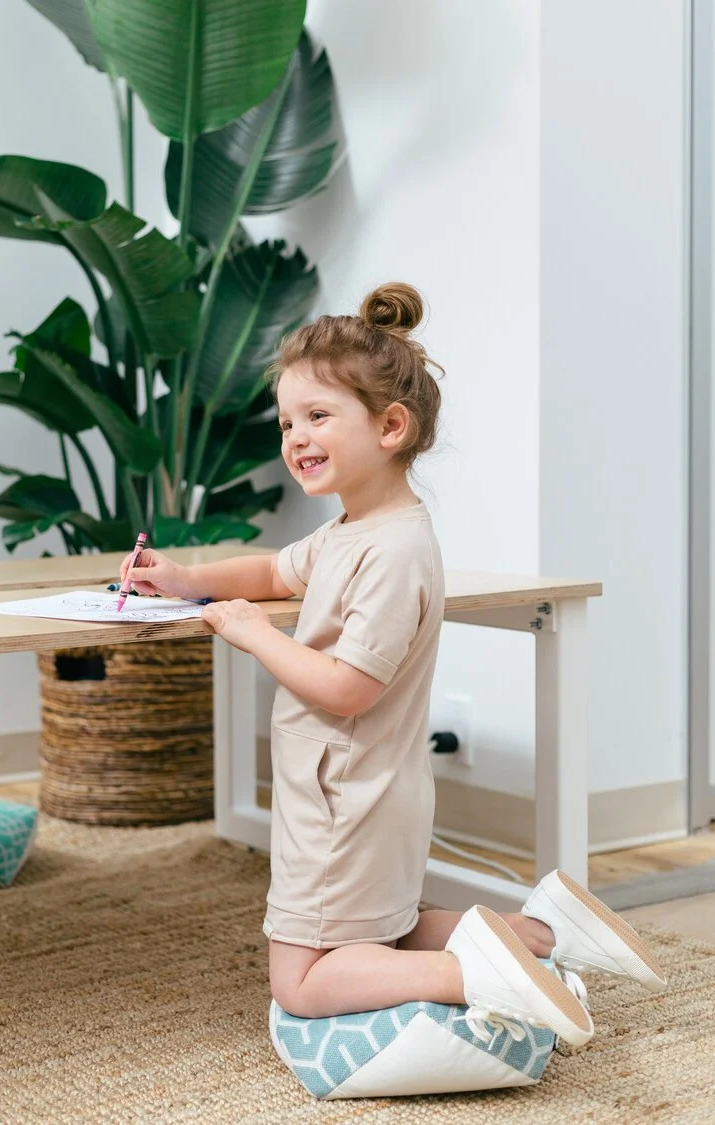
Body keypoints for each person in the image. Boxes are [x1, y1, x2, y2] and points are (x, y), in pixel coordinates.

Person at [121, 282, 666, 1050]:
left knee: (302, 981)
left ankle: (476, 976)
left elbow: (347, 687)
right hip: (365, 793)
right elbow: (278, 570)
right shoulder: (355, 530)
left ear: (390, 426)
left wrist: (251, 635)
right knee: (394, 924)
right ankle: (540, 933)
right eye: (286, 420)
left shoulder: (395, 549)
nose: (294, 436)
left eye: (316, 415)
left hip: (345, 801)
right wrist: (186, 580)